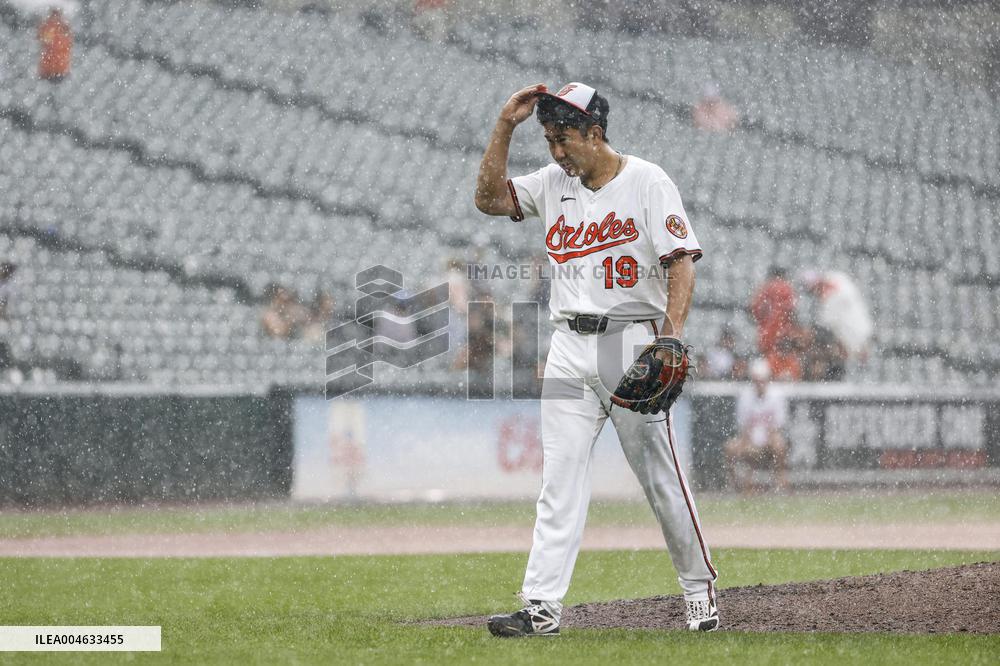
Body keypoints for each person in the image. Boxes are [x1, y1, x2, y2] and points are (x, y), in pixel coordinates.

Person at [474, 82, 718, 637]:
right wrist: (505, 126)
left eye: (563, 139)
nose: (557, 152)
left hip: (628, 343)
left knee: (660, 479)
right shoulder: (553, 184)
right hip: (567, 347)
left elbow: (681, 265)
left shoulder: (647, 181)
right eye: (549, 139)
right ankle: (541, 606)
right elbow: (488, 198)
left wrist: (671, 337)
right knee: (558, 478)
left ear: (595, 133)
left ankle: (699, 592)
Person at [724, 358, 789, 493]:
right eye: (756, 380)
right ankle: (734, 484)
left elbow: (777, 427)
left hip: (769, 438)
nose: (759, 384)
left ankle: (780, 482)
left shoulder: (777, 394)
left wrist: (767, 441)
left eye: (762, 380)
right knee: (730, 448)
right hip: (750, 438)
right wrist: (748, 444)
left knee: (779, 445)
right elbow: (744, 427)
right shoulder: (745, 395)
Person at [750, 266, 803, 380]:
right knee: (785, 371)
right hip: (782, 337)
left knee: (766, 373)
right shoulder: (786, 288)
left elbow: (754, 311)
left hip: (765, 338)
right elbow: (792, 312)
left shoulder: (763, 290)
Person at [37, 8, 73, 83]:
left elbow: (42, 39)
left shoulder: (50, 25)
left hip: (52, 69)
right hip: (56, 69)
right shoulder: (63, 25)